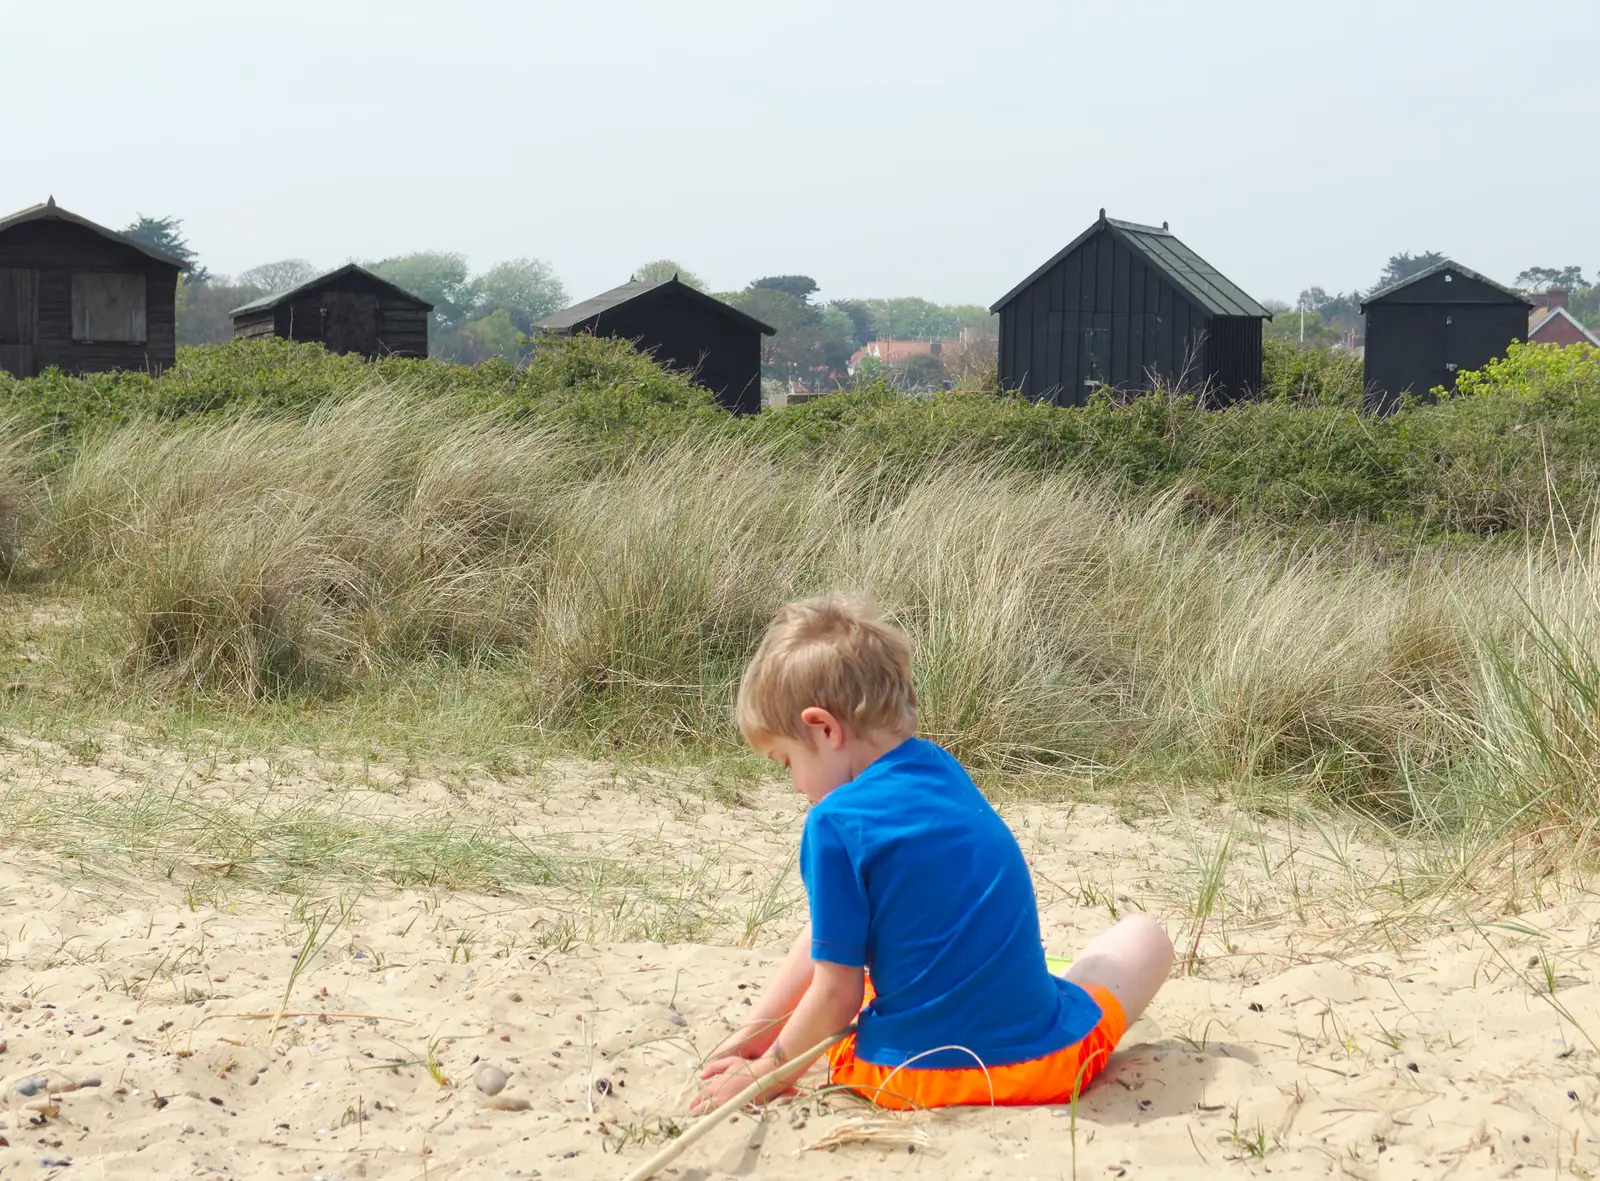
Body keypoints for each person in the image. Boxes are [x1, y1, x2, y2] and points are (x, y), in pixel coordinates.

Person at [693, 595, 1173, 1113]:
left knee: (858, 959)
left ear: (824, 728)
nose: (794, 785)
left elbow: (837, 995)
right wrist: (758, 1033)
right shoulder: (943, 769)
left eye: (785, 761)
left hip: (906, 1077)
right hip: (1049, 1068)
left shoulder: (833, 822)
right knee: (1145, 935)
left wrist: (767, 1068)